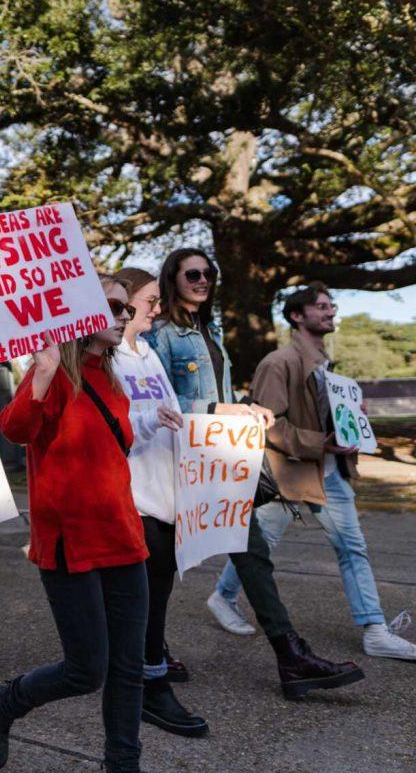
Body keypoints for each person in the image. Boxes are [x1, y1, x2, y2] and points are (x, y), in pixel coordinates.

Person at [147, 249, 364, 699]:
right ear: (173, 278)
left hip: (219, 458)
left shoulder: (212, 329)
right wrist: (219, 408)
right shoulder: (161, 334)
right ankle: (149, 651)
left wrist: (244, 409)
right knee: (161, 566)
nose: (203, 279)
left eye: (209, 272)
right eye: (193, 273)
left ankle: (291, 657)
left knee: (253, 553)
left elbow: (221, 392)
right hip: (177, 462)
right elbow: (155, 401)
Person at [0, 276, 147, 772]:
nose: (124, 317)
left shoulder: (111, 378)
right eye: (114, 306)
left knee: (128, 669)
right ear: (82, 314)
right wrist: (44, 375)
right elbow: (14, 429)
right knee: (86, 670)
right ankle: (3, 702)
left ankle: (123, 763)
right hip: (70, 541)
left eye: (127, 310)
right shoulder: (51, 369)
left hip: (124, 537)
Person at [210, 282, 415, 661]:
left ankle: (374, 629)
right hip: (290, 474)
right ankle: (222, 597)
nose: (331, 311)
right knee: (261, 547)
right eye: (321, 306)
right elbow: (268, 424)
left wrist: (351, 421)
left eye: (331, 305)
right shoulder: (278, 363)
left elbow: (326, 416)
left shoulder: (325, 366)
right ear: (296, 316)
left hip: (330, 471)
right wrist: (321, 441)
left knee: (352, 548)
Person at [113, 268, 208, 737]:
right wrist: (150, 419)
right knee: (143, 599)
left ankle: (143, 672)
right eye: (150, 300)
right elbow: (115, 422)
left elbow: (173, 412)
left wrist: (231, 415)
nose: (156, 307)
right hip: (133, 497)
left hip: (167, 493)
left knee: (158, 594)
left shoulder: (147, 352)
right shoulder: (109, 358)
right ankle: (149, 685)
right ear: (126, 303)